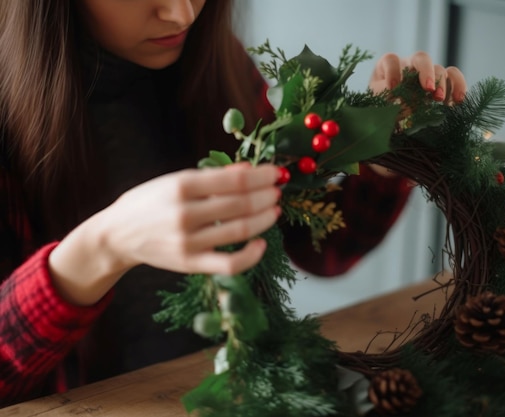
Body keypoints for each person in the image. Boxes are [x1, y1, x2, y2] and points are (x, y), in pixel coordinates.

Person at [0, 0, 466, 406]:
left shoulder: (215, 63)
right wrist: (100, 247)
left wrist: (381, 154)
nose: (181, 12)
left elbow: (320, 249)